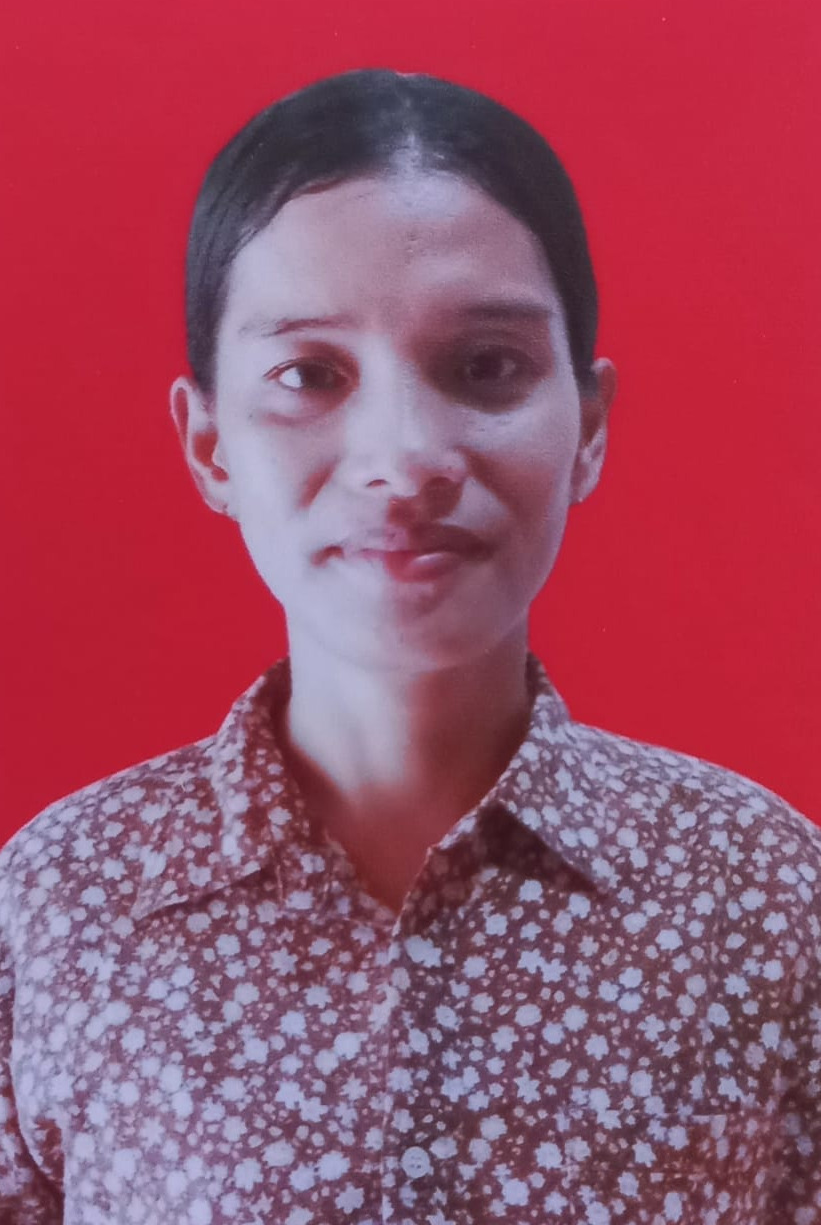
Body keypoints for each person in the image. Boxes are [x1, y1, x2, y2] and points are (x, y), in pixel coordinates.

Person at [0, 69, 818, 1225]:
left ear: (586, 425)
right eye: (308, 374)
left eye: (484, 366)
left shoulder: (764, 894)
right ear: (210, 444)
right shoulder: (59, 903)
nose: (401, 456)